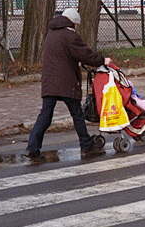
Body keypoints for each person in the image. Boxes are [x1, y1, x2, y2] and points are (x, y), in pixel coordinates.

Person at [26, 8, 112, 159]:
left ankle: (33, 148)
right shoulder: (70, 35)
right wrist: (102, 60)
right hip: (65, 82)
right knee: (77, 114)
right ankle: (86, 145)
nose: (76, 27)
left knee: (45, 116)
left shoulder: (51, 33)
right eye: (76, 25)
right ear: (73, 22)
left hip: (50, 82)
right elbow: (84, 54)